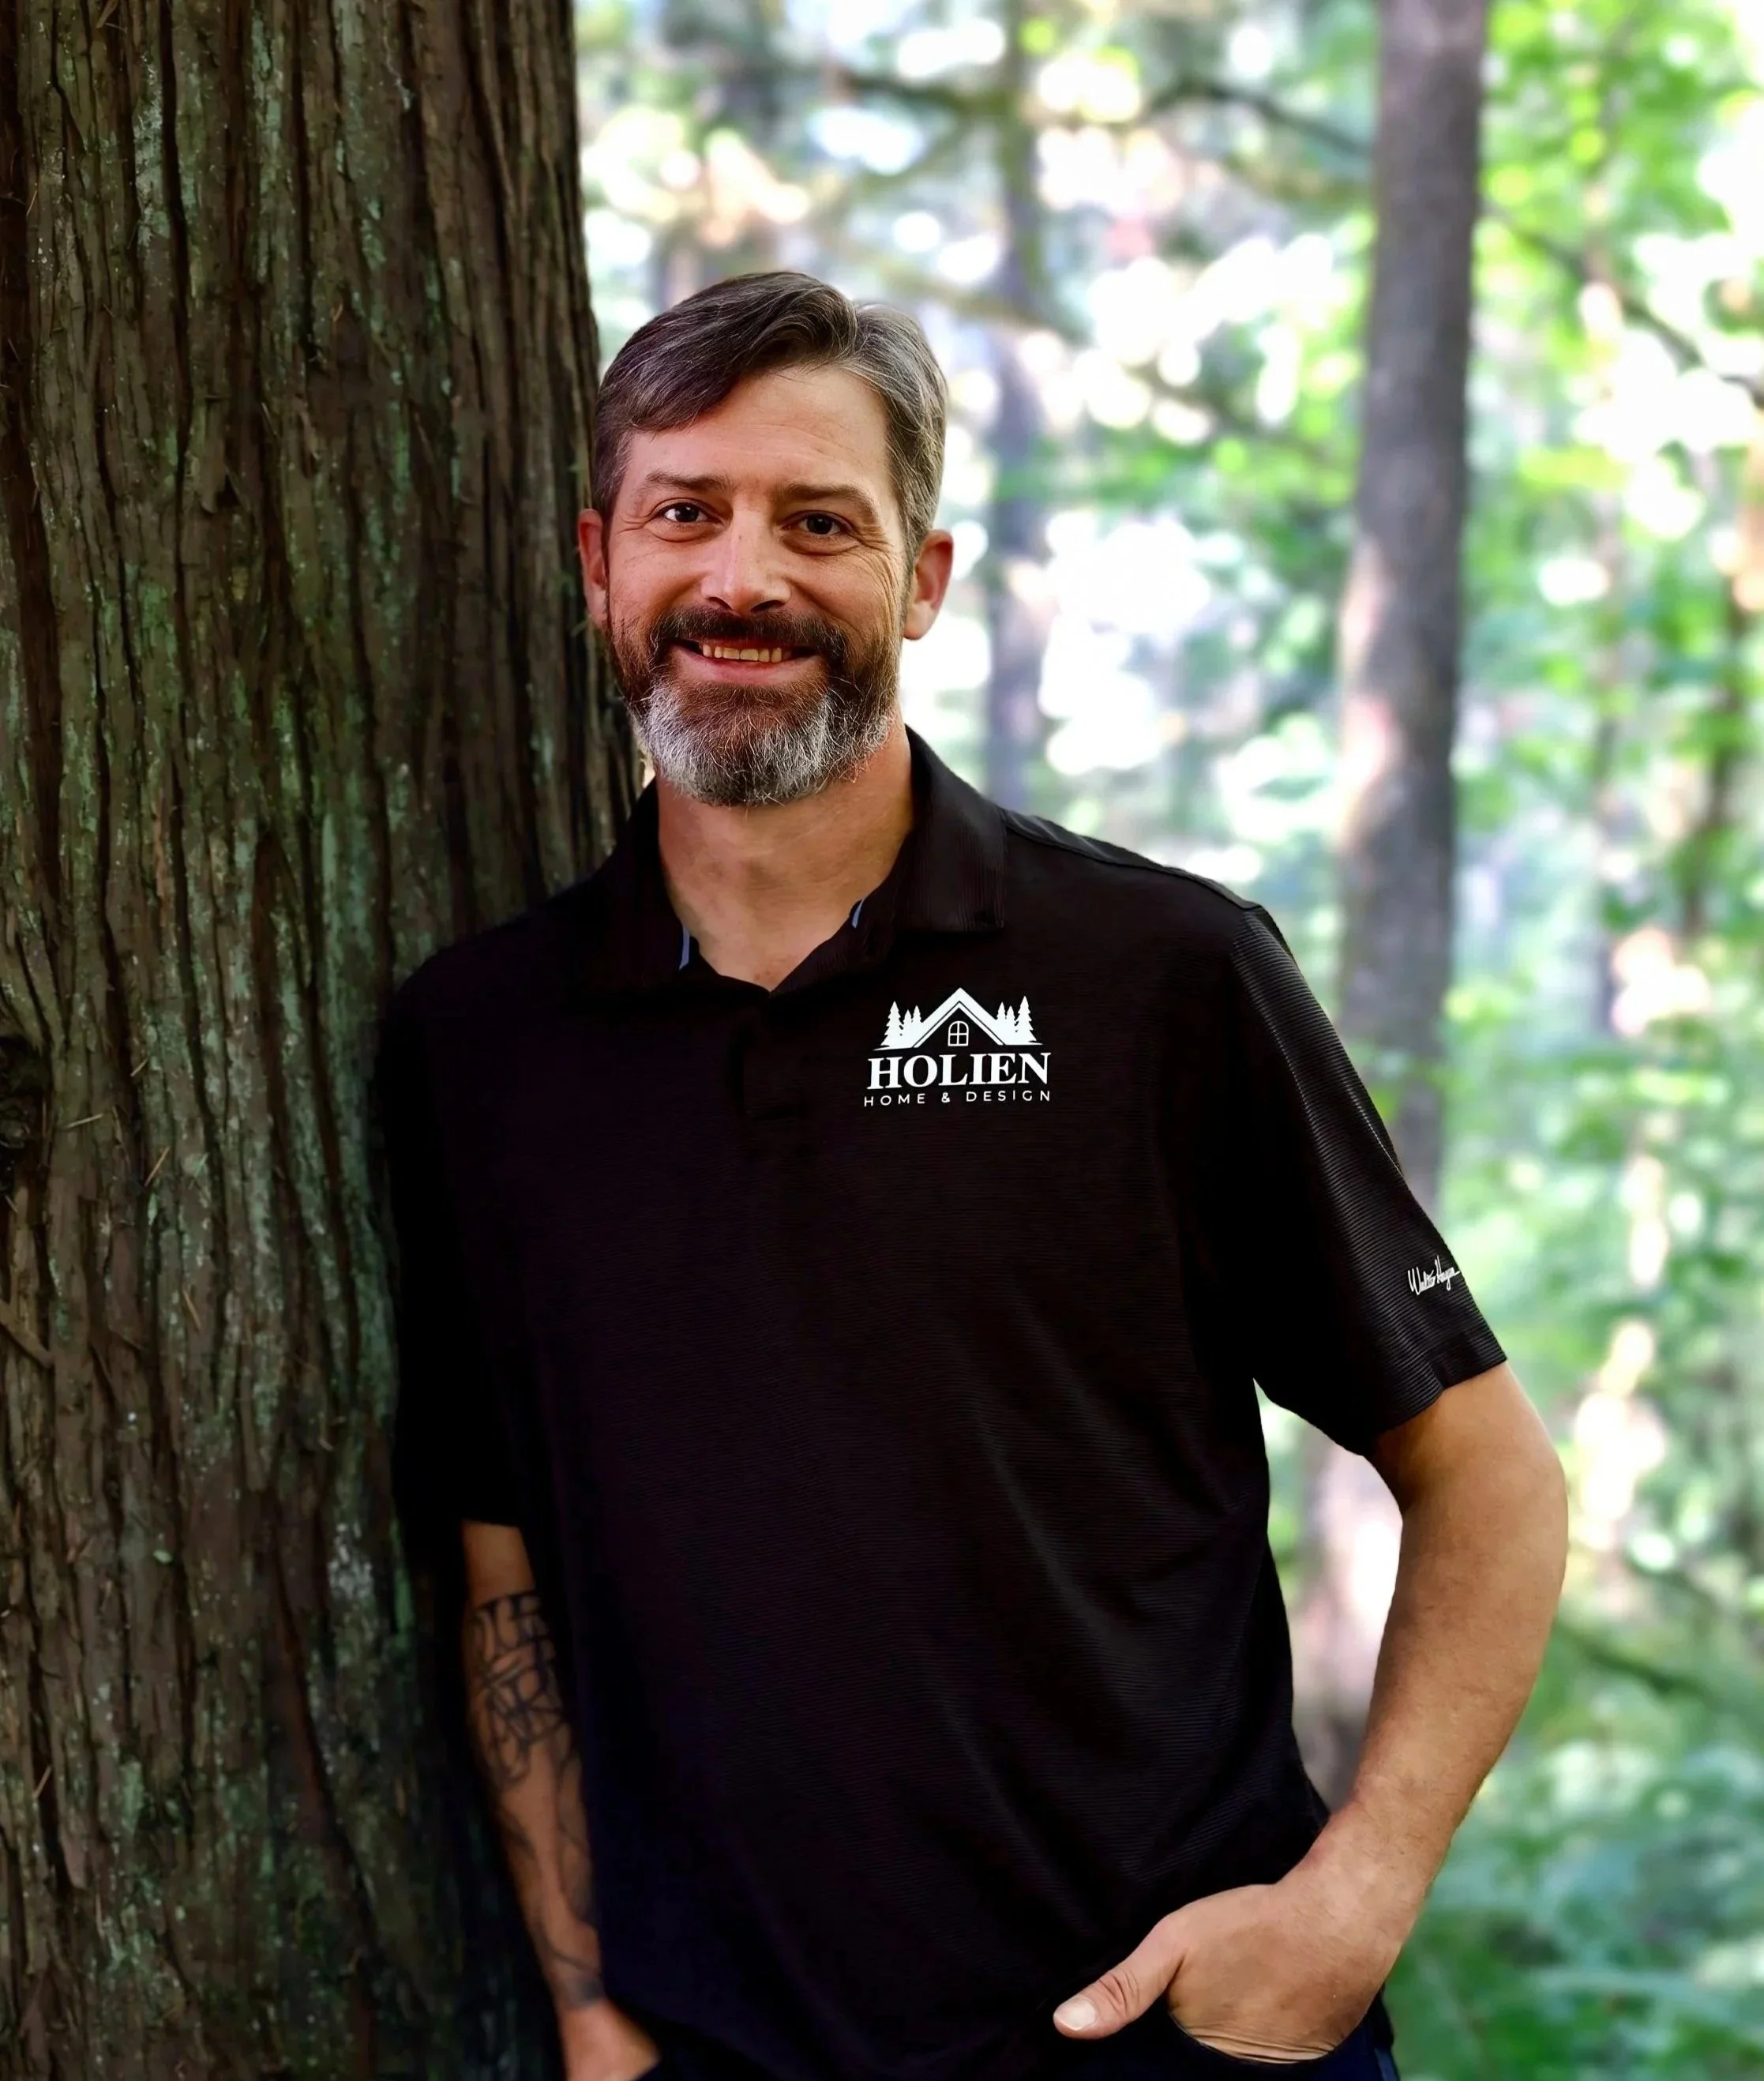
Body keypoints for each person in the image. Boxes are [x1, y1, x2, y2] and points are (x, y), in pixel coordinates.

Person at [377, 272, 1567, 2081]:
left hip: (1171, 2041)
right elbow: (502, 1555)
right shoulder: (483, 1044)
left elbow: (1485, 1474)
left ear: (920, 581)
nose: (742, 579)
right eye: (685, 514)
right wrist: (590, 2014)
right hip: (722, 2057)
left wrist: (1353, 1897)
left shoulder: (1155, 977)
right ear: (598, 563)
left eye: (818, 523)